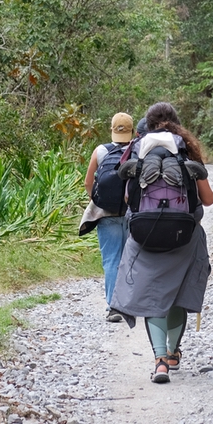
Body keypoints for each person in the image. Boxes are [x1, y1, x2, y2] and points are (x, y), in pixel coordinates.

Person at [110, 102, 213, 384]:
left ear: (147, 123)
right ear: (177, 124)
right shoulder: (187, 151)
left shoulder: (136, 149)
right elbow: (208, 199)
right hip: (186, 235)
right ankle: (172, 352)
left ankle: (159, 362)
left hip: (144, 236)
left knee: (152, 295)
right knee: (178, 294)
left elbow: (128, 199)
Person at [81, 112, 135, 322]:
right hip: (132, 214)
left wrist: (99, 200)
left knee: (112, 259)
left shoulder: (100, 150)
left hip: (106, 214)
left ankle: (113, 307)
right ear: (132, 131)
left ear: (111, 129)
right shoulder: (138, 150)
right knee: (131, 258)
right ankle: (130, 304)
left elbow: (88, 182)